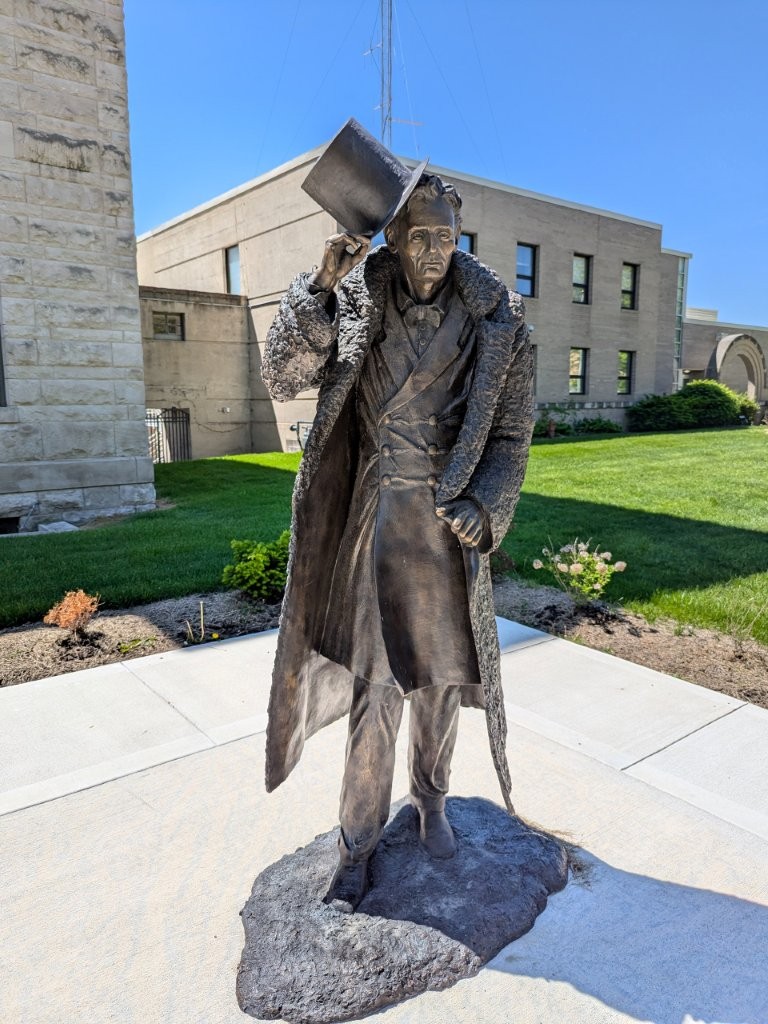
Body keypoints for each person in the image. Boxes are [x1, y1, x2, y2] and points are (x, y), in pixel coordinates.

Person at [262, 171, 534, 912]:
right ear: (393, 238)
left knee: (441, 679)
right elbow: (283, 376)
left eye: (447, 238)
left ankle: (432, 798)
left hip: (444, 528)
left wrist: (486, 501)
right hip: (373, 519)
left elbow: (511, 436)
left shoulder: (500, 320)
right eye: (420, 239)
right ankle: (356, 841)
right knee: (377, 688)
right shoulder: (355, 297)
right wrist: (317, 287)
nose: (435, 253)